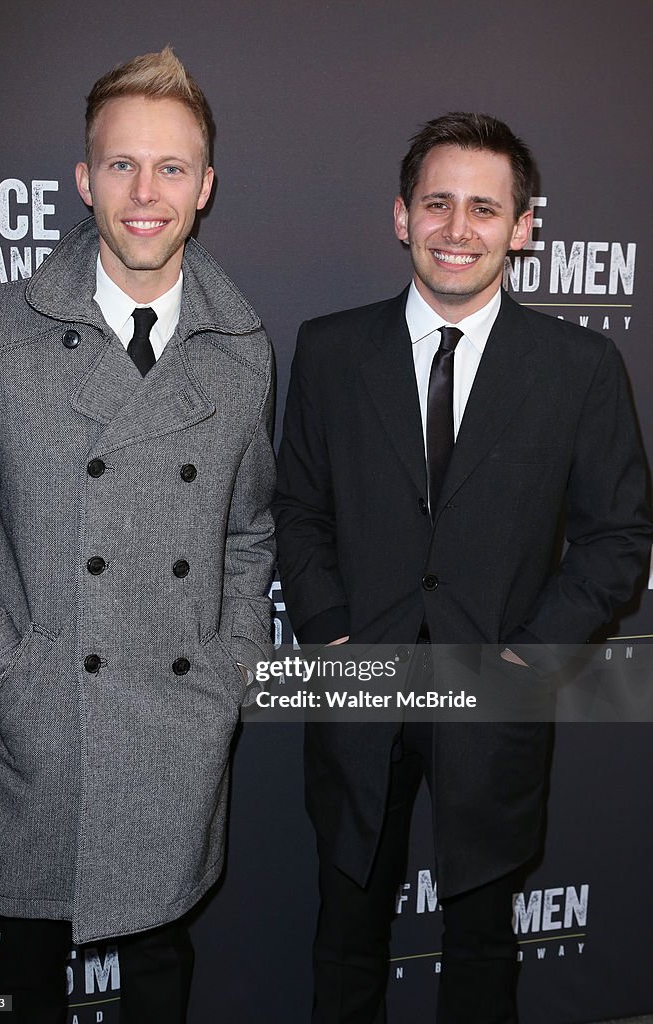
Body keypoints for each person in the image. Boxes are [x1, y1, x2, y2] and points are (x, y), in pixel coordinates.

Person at [273, 112, 651, 1023]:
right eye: (437, 203)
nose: (457, 228)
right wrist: (332, 631)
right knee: (345, 939)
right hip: (362, 693)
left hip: (496, 696)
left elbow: (617, 539)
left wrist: (528, 656)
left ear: (523, 227)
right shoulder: (330, 351)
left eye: (485, 208)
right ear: (401, 215)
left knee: (482, 953)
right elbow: (297, 509)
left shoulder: (581, 369)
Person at [0, 47, 275, 1023]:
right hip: (40, 735)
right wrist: (1, 674)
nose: (145, 192)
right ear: (85, 180)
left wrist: (229, 670)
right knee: (28, 985)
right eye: (121, 164)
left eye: (171, 168)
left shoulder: (243, 352)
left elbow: (250, 532)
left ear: (206, 188)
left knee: (162, 980)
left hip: (176, 733)